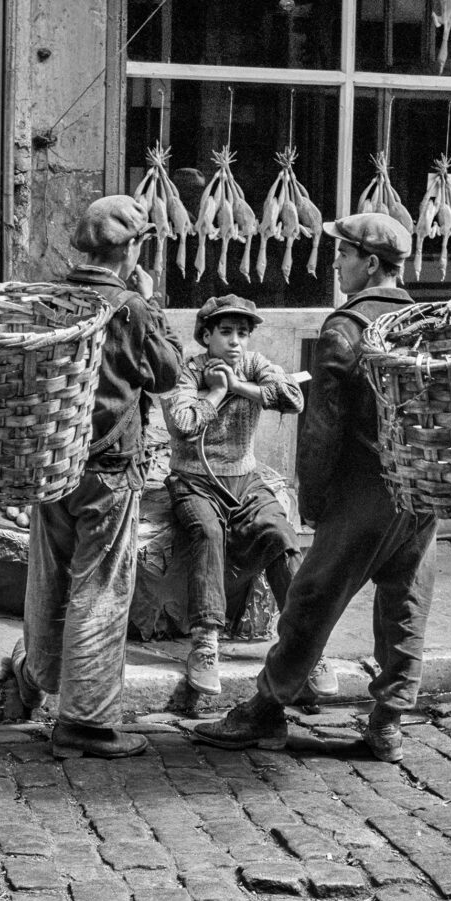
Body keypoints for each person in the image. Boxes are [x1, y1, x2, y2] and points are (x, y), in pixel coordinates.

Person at [193, 213, 438, 762]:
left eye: (343, 253)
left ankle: (264, 711)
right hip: (420, 488)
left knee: (311, 597)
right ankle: (388, 724)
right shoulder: (421, 319)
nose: (335, 262)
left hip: (364, 486)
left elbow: (323, 422)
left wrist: (314, 497)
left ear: (370, 263)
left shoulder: (345, 327)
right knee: (406, 600)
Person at [10, 194, 183, 759]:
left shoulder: (55, 298)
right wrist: (150, 304)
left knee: (48, 579)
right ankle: (85, 721)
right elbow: (165, 374)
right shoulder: (130, 306)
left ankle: (34, 681)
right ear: (129, 248)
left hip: (53, 462)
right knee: (101, 589)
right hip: (109, 468)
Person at [161, 294, 338, 699]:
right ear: (206, 335)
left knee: (279, 534)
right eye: (226, 332)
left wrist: (240, 385)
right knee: (207, 532)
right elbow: (184, 424)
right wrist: (218, 393)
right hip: (194, 480)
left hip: (245, 479)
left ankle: (307, 646)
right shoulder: (187, 371)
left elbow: (294, 399)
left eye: (243, 332)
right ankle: (206, 643)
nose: (236, 341)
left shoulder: (254, 365)